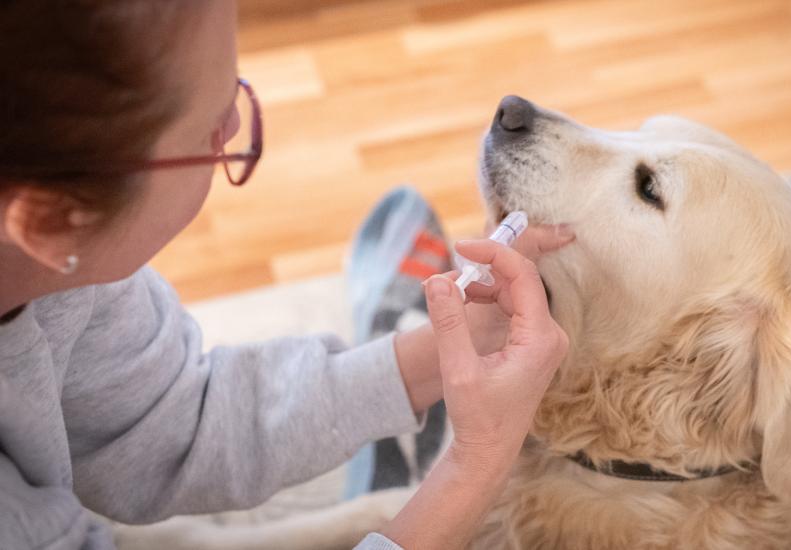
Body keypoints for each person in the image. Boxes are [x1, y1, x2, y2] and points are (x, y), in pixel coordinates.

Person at [0, 1, 573, 549]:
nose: (230, 128)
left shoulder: (59, 267)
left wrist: (444, 350)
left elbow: (169, 423)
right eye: (210, 128)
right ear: (53, 222)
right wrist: (475, 464)